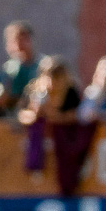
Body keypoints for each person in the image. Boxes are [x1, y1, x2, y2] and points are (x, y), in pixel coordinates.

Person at [20, 57, 93, 197]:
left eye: (58, 76)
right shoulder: (35, 93)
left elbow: (76, 116)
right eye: (51, 76)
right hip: (41, 142)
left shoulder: (71, 93)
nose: (54, 81)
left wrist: (52, 116)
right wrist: (34, 115)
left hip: (65, 141)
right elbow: (21, 114)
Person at [0, 22, 39, 105]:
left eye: (23, 40)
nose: (19, 46)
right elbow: (0, 98)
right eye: (14, 41)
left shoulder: (42, 65)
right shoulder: (7, 69)